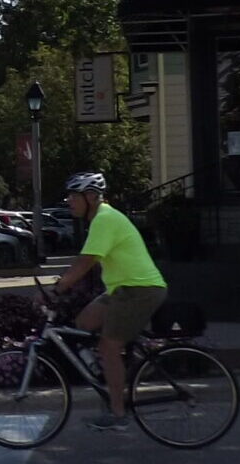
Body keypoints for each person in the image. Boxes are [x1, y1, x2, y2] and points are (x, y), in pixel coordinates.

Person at [50, 172, 166, 429]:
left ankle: (117, 414)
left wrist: (57, 289)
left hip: (139, 289)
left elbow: (86, 261)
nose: (69, 200)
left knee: (108, 347)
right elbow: (85, 262)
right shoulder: (102, 218)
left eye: (73, 195)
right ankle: (125, 366)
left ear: (90, 197)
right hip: (122, 290)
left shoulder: (105, 219)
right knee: (82, 323)